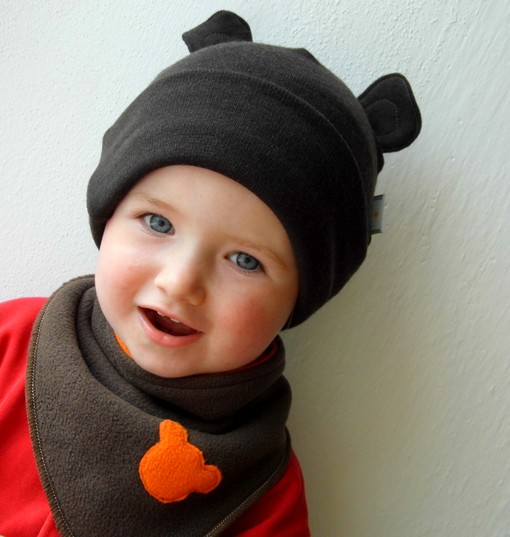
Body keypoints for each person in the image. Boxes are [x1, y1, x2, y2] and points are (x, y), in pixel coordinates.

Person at [0, 10, 421, 537]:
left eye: (245, 260)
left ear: (301, 297)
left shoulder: (265, 492)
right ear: (107, 213)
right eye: (158, 223)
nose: (180, 283)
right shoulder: (11, 343)